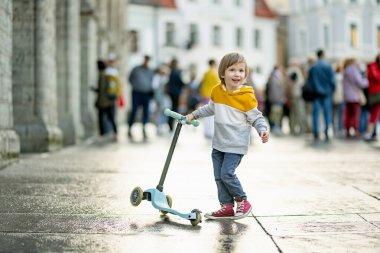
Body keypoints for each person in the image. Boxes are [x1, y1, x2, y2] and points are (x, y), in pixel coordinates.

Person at [186, 52, 269, 219]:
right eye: (232, 70)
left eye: (241, 70)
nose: (237, 74)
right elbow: (210, 108)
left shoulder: (246, 96)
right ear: (223, 73)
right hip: (218, 144)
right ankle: (227, 206)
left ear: (245, 75)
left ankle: (242, 201)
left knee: (227, 174)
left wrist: (262, 129)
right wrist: (193, 115)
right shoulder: (217, 91)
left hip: (235, 144)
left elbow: (256, 116)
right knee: (218, 176)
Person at [307, 49, 335, 141]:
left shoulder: (313, 67)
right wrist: (332, 89)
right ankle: (326, 131)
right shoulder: (328, 66)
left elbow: (309, 81)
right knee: (327, 113)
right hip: (327, 93)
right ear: (323, 55)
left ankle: (316, 132)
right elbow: (332, 80)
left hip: (316, 93)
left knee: (316, 113)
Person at [127, 55, 154, 141]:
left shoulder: (150, 71)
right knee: (134, 110)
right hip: (137, 93)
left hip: (146, 93)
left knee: (145, 112)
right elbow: (130, 79)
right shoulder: (136, 69)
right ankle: (129, 128)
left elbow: (152, 81)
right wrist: (136, 85)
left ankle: (144, 129)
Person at [342, 58, 368, 138]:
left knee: (348, 114)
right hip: (354, 96)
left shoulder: (345, 71)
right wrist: (367, 81)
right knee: (355, 114)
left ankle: (348, 130)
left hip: (347, 96)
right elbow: (360, 82)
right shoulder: (353, 70)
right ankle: (356, 130)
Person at [94, 60, 118, 139]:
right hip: (109, 101)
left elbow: (102, 89)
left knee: (102, 118)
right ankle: (114, 132)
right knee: (111, 117)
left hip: (104, 101)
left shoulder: (102, 75)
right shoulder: (108, 75)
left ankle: (102, 134)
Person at [199, 59, 220, 139]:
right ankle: (210, 132)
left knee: (206, 114)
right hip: (212, 96)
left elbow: (202, 84)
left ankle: (206, 131)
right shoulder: (214, 73)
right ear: (214, 64)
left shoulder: (206, 73)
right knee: (211, 115)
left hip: (204, 95)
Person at [363, 53, 380, 141]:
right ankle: (369, 133)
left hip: (375, 93)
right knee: (374, 114)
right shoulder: (373, 67)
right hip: (376, 94)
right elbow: (377, 78)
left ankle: (371, 132)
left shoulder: (372, 67)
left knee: (375, 114)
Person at [166, 58, 186, 132]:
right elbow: (180, 82)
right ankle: (171, 124)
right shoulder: (176, 72)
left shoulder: (171, 72)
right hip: (175, 93)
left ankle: (170, 124)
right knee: (175, 108)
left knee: (173, 107)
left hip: (172, 92)